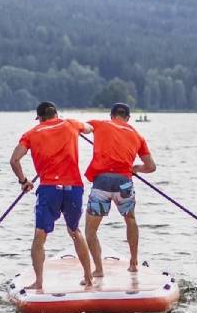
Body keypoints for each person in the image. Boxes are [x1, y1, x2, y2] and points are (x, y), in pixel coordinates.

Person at [10, 101, 93, 289]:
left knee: (40, 235)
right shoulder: (71, 124)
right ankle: (88, 278)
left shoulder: (31, 134)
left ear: (40, 118)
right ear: (56, 114)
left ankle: (39, 282)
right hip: (73, 188)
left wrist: (24, 181)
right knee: (75, 231)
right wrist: (77, 128)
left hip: (49, 189)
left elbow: (14, 160)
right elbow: (90, 128)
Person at [83, 102, 156, 275]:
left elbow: (81, 128)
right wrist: (135, 168)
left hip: (102, 182)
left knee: (90, 230)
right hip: (124, 183)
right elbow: (151, 167)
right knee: (130, 219)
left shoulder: (99, 124)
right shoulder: (138, 136)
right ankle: (133, 263)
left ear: (111, 116)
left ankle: (99, 269)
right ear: (128, 118)